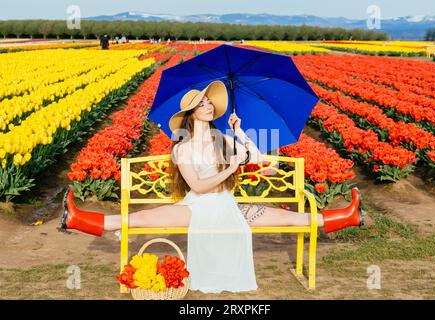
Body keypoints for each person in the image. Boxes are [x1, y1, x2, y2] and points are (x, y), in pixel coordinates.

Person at [58, 80, 364, 293]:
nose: (206, 105)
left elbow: (257, 159)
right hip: (196, 207)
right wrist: (230, 168)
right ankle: (76, 219)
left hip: (228, 205)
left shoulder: (224, 139)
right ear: (191, 113)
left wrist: (238, 129)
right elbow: (198, 186)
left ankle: (350, 217)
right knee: (137, 219)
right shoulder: (182, 146)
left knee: (289, 218)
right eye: (200, 103)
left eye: (208, 102)